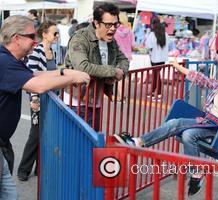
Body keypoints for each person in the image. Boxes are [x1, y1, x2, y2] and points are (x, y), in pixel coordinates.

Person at [114, 56, 218, 197]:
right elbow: (199, 78)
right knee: (175, 122)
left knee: (188, 134)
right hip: (207, 121)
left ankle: (196, 172)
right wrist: (177, 67)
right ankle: (139, 141)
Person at [0, 15, 90, 199]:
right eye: (32, 36)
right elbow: (38, 85)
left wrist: (64, 71)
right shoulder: (4, 61)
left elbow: (35, 75)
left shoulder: (9, 59)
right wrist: (72, 78)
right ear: (16, 38)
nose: (36, 41)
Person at [65, 3, 129, 130]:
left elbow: (124, 59)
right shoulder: (80, 38)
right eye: (108, 25)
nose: (113, 29)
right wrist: (112, 71)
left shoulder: (111, 42)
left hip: (95, 102)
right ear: (96, 23)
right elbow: (82, 66)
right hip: (77, 102)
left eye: (116, 24)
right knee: (78, 144)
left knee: (91, 144)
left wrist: (120, 71)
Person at [17, 21, 59, 181]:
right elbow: (30, 75)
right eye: (54, 33)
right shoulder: (37, 51)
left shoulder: (52, 51)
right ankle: (23, 170)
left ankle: (37, 168)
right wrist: (33, 98)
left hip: (50, 97)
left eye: (57, 33)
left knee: (45, 134)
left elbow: (53, 73)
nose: (56, 36)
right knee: (35, 134)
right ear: (45, 34)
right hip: (38, 98)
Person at [145, 21, 169, 101]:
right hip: (163, 59)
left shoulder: (152, 35)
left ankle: (157, 93)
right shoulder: (166, 35)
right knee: (156, 75)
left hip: (154, 58)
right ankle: (153, 92)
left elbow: (148, 46)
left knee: (156, 75)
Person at [114, 12, 134, 102]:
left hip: (118, 56)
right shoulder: (129, 31)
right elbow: (133, 45)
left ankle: (121, 97)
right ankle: (123, 95)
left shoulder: (114, 31)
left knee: (119, 76)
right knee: (125, 77)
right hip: (127, 56)